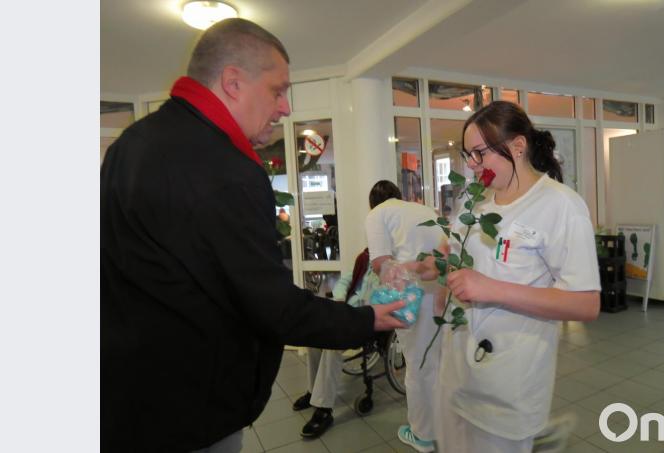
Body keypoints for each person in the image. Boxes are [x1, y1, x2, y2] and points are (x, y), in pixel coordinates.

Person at [100, 18, 405, 453]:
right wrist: (365, 319)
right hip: (189, 410)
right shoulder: (225, 170)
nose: (285, 108)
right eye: (277, 91)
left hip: (128, 394)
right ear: (233, 83)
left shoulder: (130, 144)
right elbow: (271, 307)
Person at [422, 101, 601, 453]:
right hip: (457, 374)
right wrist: (425, 267)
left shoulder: (560, 205)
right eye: (468, 155)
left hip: (507, 385)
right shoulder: (476, 201)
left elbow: (585, 304)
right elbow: (449, 253)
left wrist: (491, 289)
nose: (472, 165)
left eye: (479, 153)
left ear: (518, 146)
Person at [364, 181, 445, 453]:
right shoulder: (424, 210)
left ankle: (422, 434)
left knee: (418, 364)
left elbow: (381, 265)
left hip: (413, 296)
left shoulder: (377, 214)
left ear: (372, 203)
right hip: (444, 291)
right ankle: (443, 426)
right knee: (440, 362)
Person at [292, 248, 380, 439]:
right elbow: (345, 280)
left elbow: (382, 298)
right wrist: (339, 299)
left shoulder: (391, 267)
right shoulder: (365, 258)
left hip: (369, 319)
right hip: (348, 313)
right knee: (314, 337)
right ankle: (313, 390)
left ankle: (324, 408)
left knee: (333, 344)